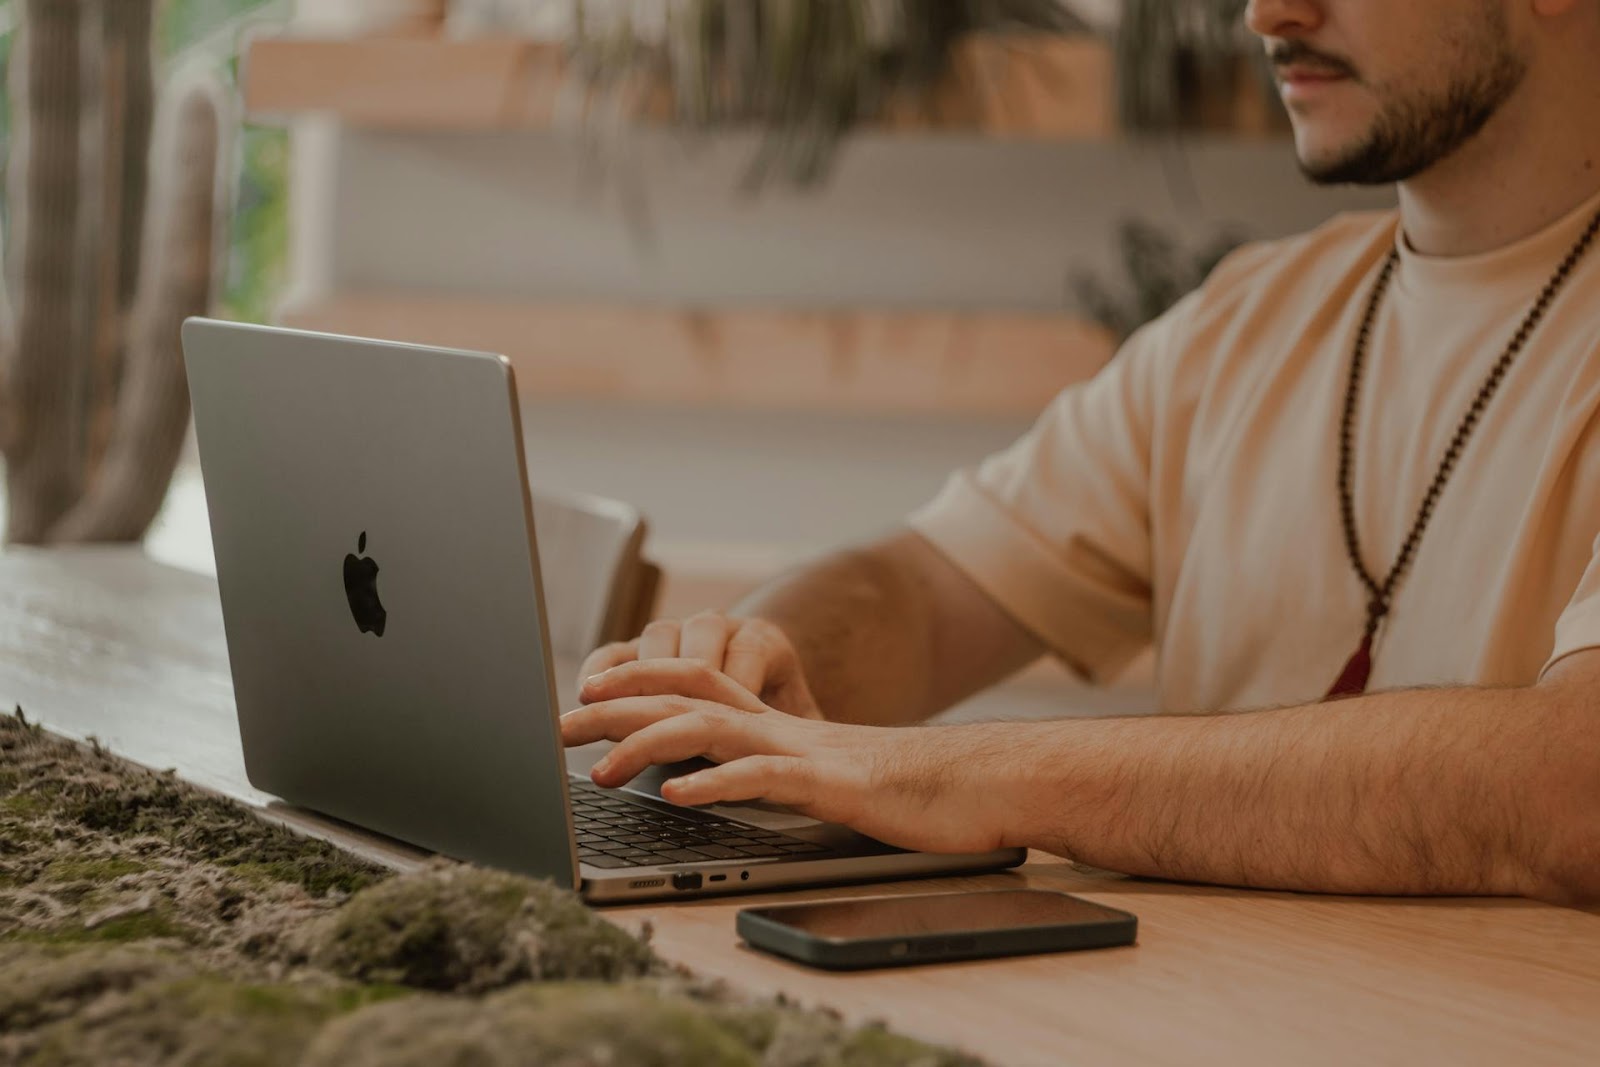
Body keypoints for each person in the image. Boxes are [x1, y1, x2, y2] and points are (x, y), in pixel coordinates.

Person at [561, 0, 1600, 905]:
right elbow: (923, 588)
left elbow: (1571, 787)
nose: (1266, 13)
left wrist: (949, 774)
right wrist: (752, 671)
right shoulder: (1246, 318)